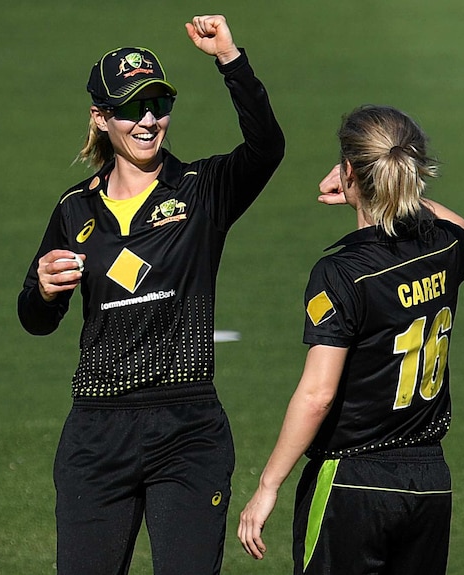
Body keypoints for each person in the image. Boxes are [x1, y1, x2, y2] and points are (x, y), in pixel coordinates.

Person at [17, 15, 284, 575]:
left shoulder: (202, 190)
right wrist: (41, 290)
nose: (148, 120)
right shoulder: (74, 209)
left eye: (158, 105)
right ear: (100, 117)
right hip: (96, 433)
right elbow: (37, 320)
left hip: (188, 430)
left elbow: (266, 148)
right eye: (131, 108)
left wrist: (230, 59)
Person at [237, 105, 464, 574]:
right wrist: (389, 189)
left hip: (352, 481)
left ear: (349, 171)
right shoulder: (444, 249)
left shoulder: (342, 273)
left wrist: (268, 486)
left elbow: (317, 395)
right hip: (430, 483)